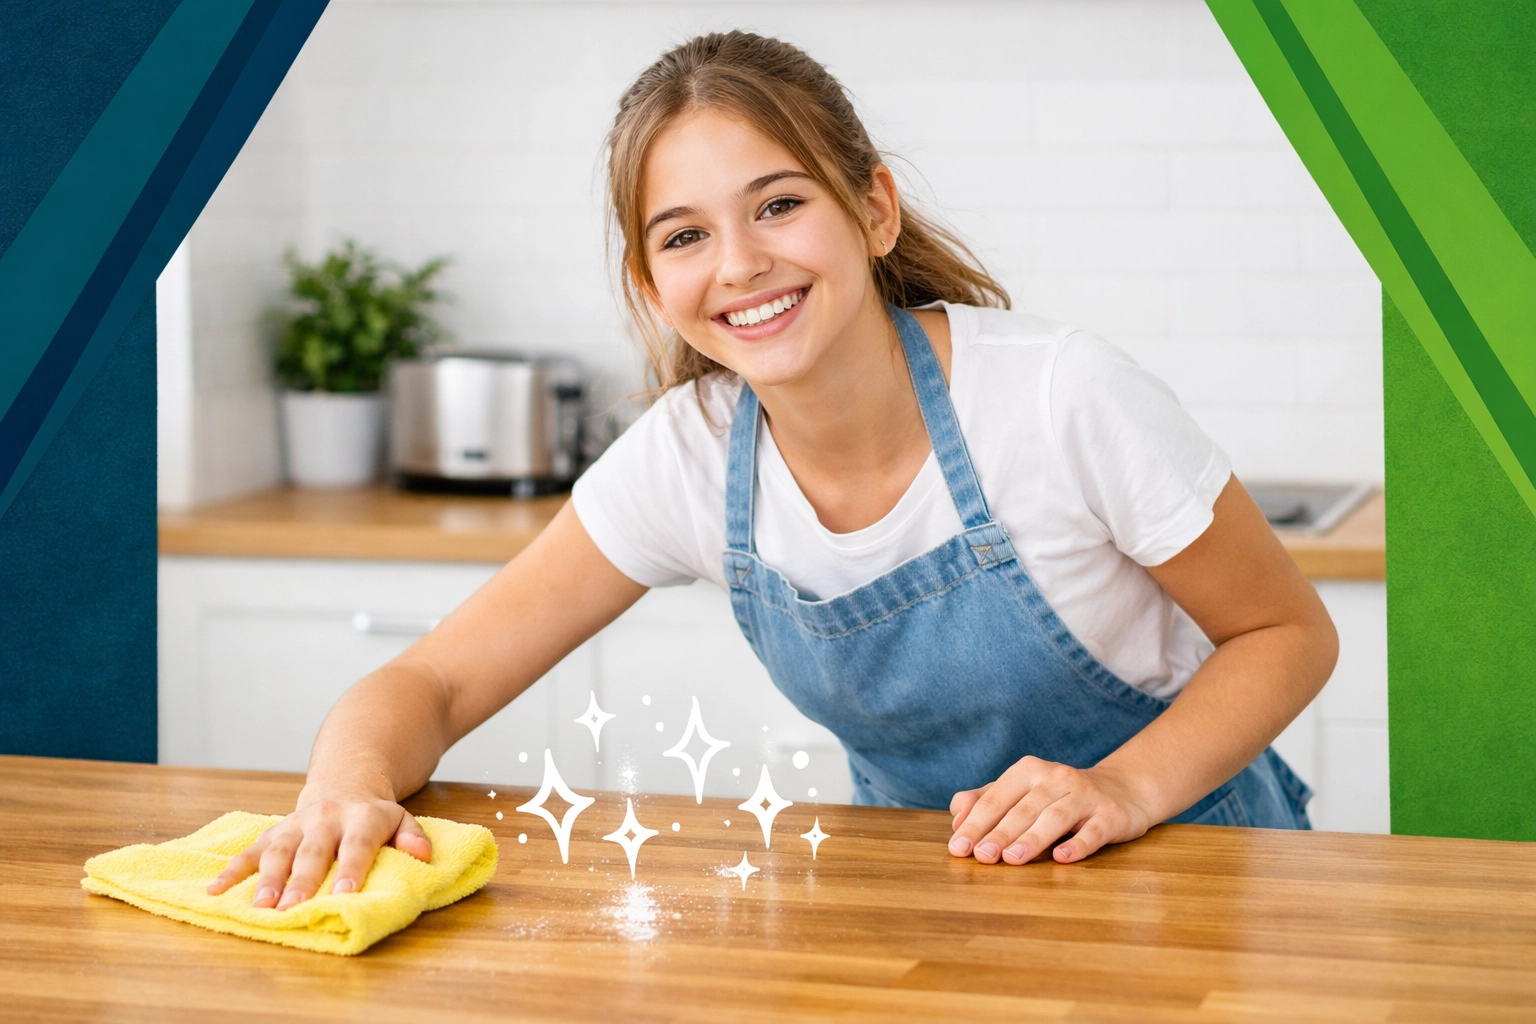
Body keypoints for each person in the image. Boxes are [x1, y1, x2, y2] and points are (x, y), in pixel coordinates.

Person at [209, 31, 1336, 911]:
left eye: (779, 204)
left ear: (874, 210)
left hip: (1196, 869)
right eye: (684, 235)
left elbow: (1288, 634)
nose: (741, 264)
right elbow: (433, 685)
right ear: (653, 286)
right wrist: (346, 783)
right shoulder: (690, 459)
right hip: (925, 897)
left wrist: (1124, 790)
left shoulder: (1060, 397)